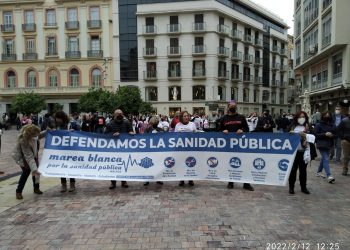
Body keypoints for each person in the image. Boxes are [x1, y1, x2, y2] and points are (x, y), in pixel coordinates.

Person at [219, 101, 254, 191]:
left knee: (244, 163)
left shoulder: (241, 117)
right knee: (231, 163)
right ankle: (231, 182)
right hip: (228, 145)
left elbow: (247, 129)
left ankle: (246, 183)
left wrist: (242, 130)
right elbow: (218, 129)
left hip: (241, 145)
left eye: (234, 106)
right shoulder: (224, 118)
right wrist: (223, 131)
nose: (233, 107)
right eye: (231, 106)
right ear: (228, 107)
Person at [12, 124, 47, 199]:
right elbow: (29, 156)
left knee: (36, 174)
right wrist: (34, 170)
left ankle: (36, 188)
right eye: (35, 135)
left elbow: (40, 135)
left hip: (34, 156)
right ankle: (18, 191)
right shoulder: (23, 141)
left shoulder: (35, 135)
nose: (37, 136)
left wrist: (49, 131)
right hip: (23, 157)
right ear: (30, 134)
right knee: (26, 173)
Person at [105, 109, 135, 189]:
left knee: (124, 165)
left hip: (124, 148)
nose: (119, 114)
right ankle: (113, 182)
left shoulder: (127, 123)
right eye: (118, 113)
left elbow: (131, 132)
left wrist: (131, 133)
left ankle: (124, 181)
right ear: (114, 115)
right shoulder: (109, 124)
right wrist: (112, 135)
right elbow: (105, 136)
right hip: (113, 149)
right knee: (113, 166)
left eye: (121, 113)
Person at [288, 111, 314, 195]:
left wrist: (305, 135)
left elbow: (314, 137)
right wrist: (290, 134)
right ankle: (291, 187)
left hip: (304, 152)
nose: (301, 118)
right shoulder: (292, 126)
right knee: (293, 170)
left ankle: (303, 187)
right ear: (296, 118)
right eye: (300, 117)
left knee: (303, 171)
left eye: (303, 117)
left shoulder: (308, 126)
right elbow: (285, 137)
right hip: (294, 152)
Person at [53, 111, 76, 193]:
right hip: (60, 150)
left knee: (71, 167)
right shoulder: (56, 126)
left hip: (70, 150)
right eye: (56, 118)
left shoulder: (71, 124)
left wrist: (74, 132)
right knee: (61, 167)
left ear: (62, 118)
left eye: (58, 118)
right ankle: (63, 185)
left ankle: (72, 184)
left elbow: (80, 133)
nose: (57, 120)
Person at [175, 111, 197, 186]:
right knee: (181, 163)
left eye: (187, 116)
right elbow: (174, 136)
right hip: (181, 148)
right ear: (181, 117)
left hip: (190, 147)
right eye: (184, 116)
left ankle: (191, 179)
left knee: (190, 162)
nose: (186, 117)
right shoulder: (178, 125)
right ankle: (181, 179)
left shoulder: (192, 124)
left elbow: (196, 135)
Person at [314, 111, 336, 183]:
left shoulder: (333, 125)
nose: (327, 117)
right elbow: (316, 135)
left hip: (329, 144)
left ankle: (319, 171)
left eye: (328, 115)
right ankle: (329, 175)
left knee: (324, 158)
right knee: (326, 158)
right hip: (321, 144)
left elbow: (336, 134)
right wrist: (325, 134)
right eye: (326, 115)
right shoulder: (318, 124)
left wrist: (332, 135)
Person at [144, 116, 164, 186]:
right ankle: (147, 179)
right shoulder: (147, 129)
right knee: (148, 164)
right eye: (152, 123)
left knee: (158, 164)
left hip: (158, 150)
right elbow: (144, 138)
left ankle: (158, 178)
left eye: (155, 123)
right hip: (149, 149)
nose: (153, 124)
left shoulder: (160, 129)